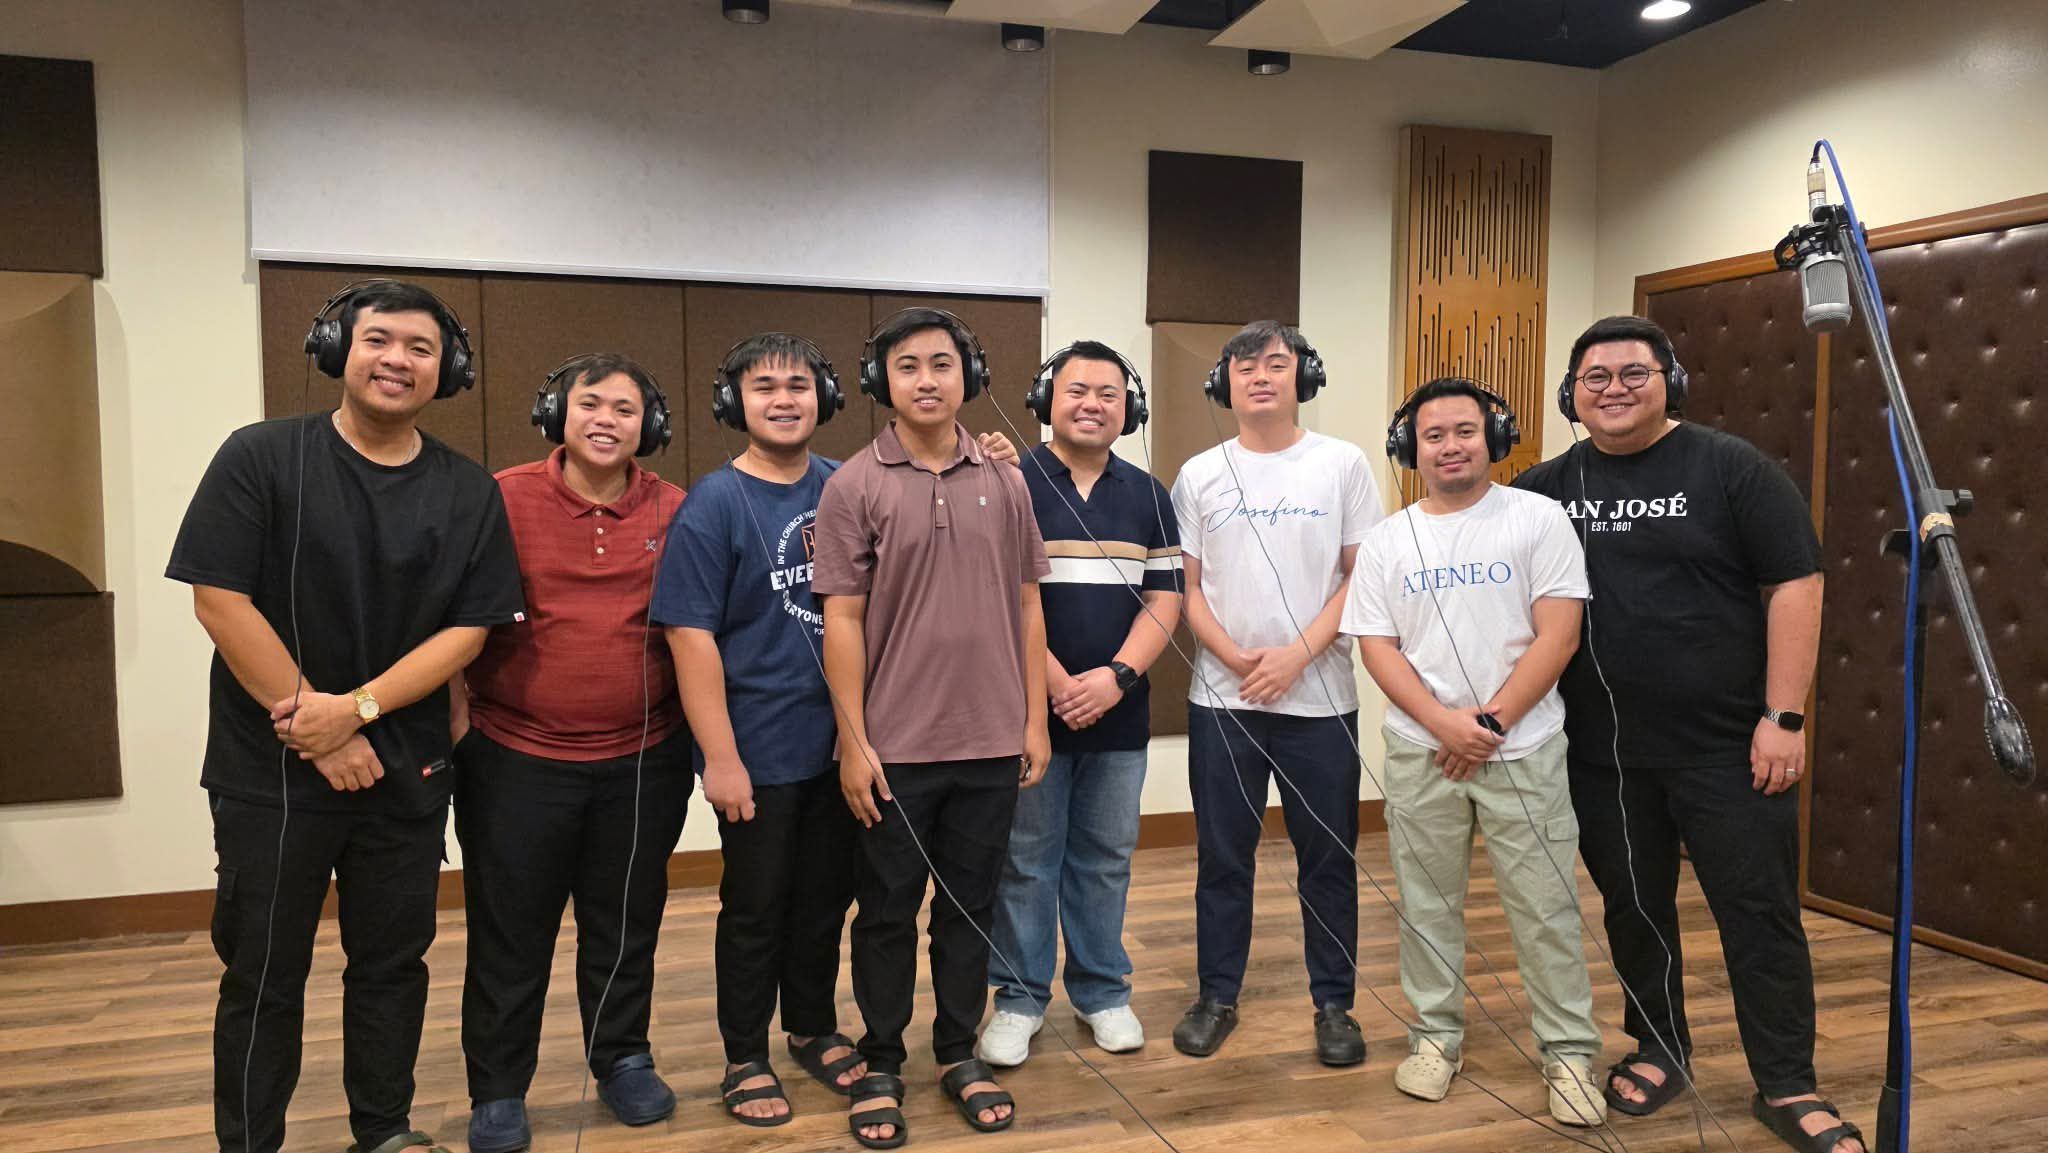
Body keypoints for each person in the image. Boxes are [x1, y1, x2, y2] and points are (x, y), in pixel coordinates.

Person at [168, 279, 524, 1153]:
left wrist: (356, 711)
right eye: (379, 340)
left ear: (448, 370)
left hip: (405, 772)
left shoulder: (468, 490)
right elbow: (219, 599)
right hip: (271, 772)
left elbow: (470, 631)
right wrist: (318, 731)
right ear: (339, 349)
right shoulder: (258, 456)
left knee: (392, 967)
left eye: (420, 348)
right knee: (262, 973)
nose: (397, 360)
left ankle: (384, 1128)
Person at [1515, 316, 1854, 1153]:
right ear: (1569, 394)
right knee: (1635, 909)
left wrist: (1784, 716)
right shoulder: (1542, 489)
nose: (1614, 389)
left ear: (1671, 381)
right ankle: (1659, 1044)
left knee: (1758, 910)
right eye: (1595, 377)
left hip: (1730, 748)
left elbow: (1796, 583)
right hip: (1601, 753)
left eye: (1634, 372)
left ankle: (1788, 1080)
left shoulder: (1731, 468)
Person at [812, 307, 1050, 1148]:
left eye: (941, 363)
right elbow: (842, 619)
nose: (926, 379)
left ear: (967, 375)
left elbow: (1028, 603)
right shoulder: (854, 484)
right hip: (895, 747)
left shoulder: (1006, 480)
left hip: (990, 738)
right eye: (907, 365)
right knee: (884, 910)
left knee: (969, 907)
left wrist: (1033, 718)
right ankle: (881, 1058)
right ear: (881, 381)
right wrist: (853, 739)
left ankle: (955, 1049)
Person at [1344, 376, 1604, 1126]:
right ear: (1410, 447)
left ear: (1494, 436)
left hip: (1525, 748)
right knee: (1427, 905)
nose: (1450, 445)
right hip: (1421, 751)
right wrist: (1443, 724)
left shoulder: (1538, 518)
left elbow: (1560, 634)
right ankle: (1435, 1037)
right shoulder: (1389, 539)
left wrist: (1485, 726)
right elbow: (1378, 647)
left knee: (1546, 907)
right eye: (1433, 435)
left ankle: (1569, 1052)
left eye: (1465, 430)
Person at [451, 353, 690, 1153]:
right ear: (558, 412)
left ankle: (621, 1055)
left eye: (626, 408)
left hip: (642, 760)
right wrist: (458, 724)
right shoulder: (503, 496)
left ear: (649, 427)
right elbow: (451, 616)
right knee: (509, 932)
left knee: (624, 921)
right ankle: (498, 1086)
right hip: (515, 759)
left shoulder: (676, 507)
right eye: (591, 403)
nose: (607, 420)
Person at [656, 333, 867, 1129]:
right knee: (755, 906)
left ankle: (810, 1024)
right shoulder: (712, 504)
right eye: (764, 386)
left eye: (799, 385)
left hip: (840, 744)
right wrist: (720, 757)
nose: (784, 399)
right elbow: (689, 637)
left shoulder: (846, 485)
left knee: (825, 899)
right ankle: (744, 1053)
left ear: (825, 397)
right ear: (733, 402)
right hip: (757, 748)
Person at [1168, 319, 1381, 1066]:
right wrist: (1233, 657)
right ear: (1223, 383)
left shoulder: (1343, 463)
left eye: (1276, 364)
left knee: (1329, 858)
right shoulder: (1198, 473)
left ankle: (1335, 1005)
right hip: (1222, 702)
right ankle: (1216, 995)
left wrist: (1295, 657)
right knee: (1224, 857)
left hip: (1321, 700)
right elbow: (1188, 587)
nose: (1260, 376)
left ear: (1303, 378)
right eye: (1245, 366)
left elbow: (1359, 575)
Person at [978, 342, 1183, 1067]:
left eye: (1108, 393)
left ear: (1130, 409)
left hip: (1119, 715)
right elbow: (995, 596)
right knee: (1026, 861)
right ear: (1046, 400)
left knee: (1104, 859)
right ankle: (1019, 999)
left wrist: (1117, 677)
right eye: (1077, 390)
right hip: (1029, 715)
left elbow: (1165, 597)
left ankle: (1102, 993)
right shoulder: (1009, 481)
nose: (1092, 404)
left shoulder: (1150, 494)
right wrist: (1057, 681)